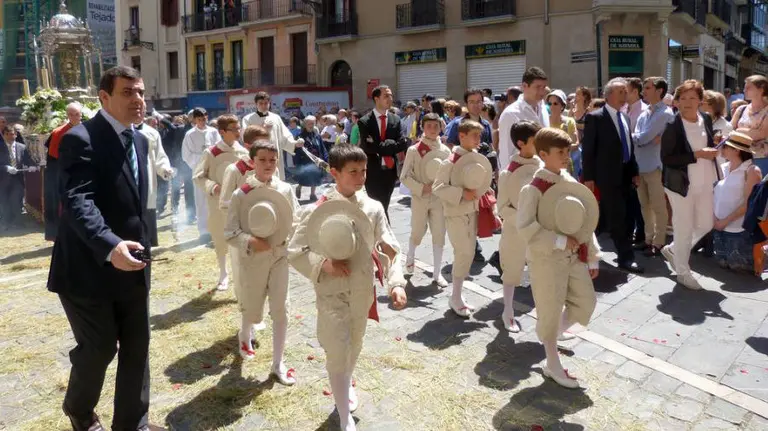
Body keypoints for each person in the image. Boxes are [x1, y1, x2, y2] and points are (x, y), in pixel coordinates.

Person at [48, 66, 157, 431]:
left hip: (133, 263)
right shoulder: (80, 138)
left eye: (140, 92)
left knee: (137, 346)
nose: (138, 99)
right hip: (87, 267)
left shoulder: (140, 140)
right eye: (128, 92)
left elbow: (135, 205)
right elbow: (78, 201)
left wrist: (142, 246)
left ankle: (132, 423)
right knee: (100, 347)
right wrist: (111, 246)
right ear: (104, 97)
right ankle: (79, 410)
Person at [288, 144, 407, 431]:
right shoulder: (318, 210)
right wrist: (322, 264)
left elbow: (390, 248)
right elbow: (295, 250)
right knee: (337, 350)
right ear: (334, 173)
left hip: (361, 290)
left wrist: (396, 283)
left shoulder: (373, 208)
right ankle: (344, 417)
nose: (360, 177)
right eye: (352, 171)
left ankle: (344, 383)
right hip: (331, 293)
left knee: (354, 345)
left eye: (363, 170)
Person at [517, 127, 600, 389]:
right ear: (543, 155)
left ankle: (554, 334)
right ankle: (552, 361)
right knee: (549, 308)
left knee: (586, 301)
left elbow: (585, 219)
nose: (566, 156)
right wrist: (559, 240)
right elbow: (524, 226)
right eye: (560, 152)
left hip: (574, 257)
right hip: (547, 259)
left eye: (567, 151)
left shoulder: (569, 181)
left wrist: (593, 255)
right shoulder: (533, 189)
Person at [224, 139, 300, 382]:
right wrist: (250, 241)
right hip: (253, 259)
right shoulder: (241, 194)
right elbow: (230, 232)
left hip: (279, 256)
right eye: (262, 160)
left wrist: (291, 240)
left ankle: (278, 362)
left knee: (281, 308)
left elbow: (296, 220)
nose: (268, 164)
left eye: (272, 160)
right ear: (252, 161)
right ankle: (244, 334)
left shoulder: (285, 190)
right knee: (252, 302)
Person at [660, 80, 721, 290]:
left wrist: (714, 144)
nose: (687, 102)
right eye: (683, 98)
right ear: (676, 102)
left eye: (692, 98)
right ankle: (683, 272)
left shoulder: (705, 119)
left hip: (705, 179)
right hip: (680, 185)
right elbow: (667, 158)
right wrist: (697, 154)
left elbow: (708, 144)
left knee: (706, 224)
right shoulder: (672, 126)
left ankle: (674, 249)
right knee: (683, 227)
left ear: (700, 101)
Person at [582, 77, 644, 273]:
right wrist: (589, 177)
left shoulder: (625, 118)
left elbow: (629, 148)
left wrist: (634, 171)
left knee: (618, 216)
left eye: (626, 92)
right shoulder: (596, 118)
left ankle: (584, 245)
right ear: (608, 95)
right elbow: (588, 150)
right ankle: (626, 257)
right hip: (607, 176)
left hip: (625, 175)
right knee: (618, 217)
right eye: (620, 92)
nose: (624, 96)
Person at [433, 120, 492, 317]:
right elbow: (438, 187)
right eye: (474, 135)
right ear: (462, 136)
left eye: (479, 135)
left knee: (468, 254)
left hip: (472, 211)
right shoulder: (449, 162)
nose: (478, 139)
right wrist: (460, 193)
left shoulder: (476, 158)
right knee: (463, 252)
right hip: (455, 213)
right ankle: (456, 297)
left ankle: (457, 294)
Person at [194, 115, 249, 291]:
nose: (238, 132)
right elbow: (198, 177)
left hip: (239, 203)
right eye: (234, 129)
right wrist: (213, 187)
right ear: (222, 132)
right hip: (218, 203)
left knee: (240, 236)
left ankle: (241, 273)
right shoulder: (211, 152)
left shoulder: (243, 152)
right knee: (220, 236)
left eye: (239, 128)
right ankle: (223, 273)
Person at [497, 121, 542, 332]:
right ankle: (508, 311)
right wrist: (525, 219)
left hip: (541, 230)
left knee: (541, 273)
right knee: (512, 270)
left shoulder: (543, 167)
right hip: (515, 230)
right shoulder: (508, 172)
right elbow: (502, 208)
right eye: (535, 140)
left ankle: (547, 321)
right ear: (521, 143)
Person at [400, 113, 450, 287]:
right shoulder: (414, 150)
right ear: (422, 127)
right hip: (420, 198)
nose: (432, 129)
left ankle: (437, 273)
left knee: (439, 233)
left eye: (436, 126)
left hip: (438, 199)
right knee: (418, 231)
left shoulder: (446, 151)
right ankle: (411, 254)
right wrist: (422, 188)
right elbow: (404, 176)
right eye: (429, 126)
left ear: (441, 127)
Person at [631, 77, 675, 257]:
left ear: (659, 91)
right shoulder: (644, 113)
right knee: (645, 206)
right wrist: (642, 138)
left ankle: (658, 242)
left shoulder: (665, 113)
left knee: (658, 206)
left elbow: (642, 138)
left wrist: (640, 138)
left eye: (648, 88)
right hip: (640, 165)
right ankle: (648, 239)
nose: (644, 91)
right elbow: (640, 138)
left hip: (655, 166)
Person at [713, 132, 762, 273]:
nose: (721, 148)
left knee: (739, 269)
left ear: (736, 150)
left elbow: (749, 204)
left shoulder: (751, 171)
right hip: (719, 228)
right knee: (724, 266)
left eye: (725, 146)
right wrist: (715, 219)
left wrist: (724, 222)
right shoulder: (723, 167)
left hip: (738, 232)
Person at [358, 85, 409, 217]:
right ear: (376, 99)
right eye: (386, 96)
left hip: (390, 170)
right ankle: (382, 228)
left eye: (391, 96)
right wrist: (391, 144)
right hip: (372, 170)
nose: (390, 99)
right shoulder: (365, 121)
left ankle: (381, 227)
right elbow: (368, 147)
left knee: (384, 204)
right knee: (377, 205)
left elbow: (402, 143)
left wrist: (379, 145)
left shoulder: (396, 119)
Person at [241, 91, 305, 180]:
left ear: (269, 103)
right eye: (261, 103)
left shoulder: (276, 118)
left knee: (275, 180)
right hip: (259, 156)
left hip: (274, 155)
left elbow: (284, 135)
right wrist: (262, 128)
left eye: (266, 103)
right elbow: (246, 137)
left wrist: (294, 143)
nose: (264, 106)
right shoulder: (248, 119)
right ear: (256, 104)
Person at [43, 102, 82, 240]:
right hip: (65, 175)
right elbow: (53, 158)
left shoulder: (88, 128)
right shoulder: (58, 133)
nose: (74, 117)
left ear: (81, 114)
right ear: (67, 115)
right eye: (71, 114)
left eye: (77, 114)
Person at [498, 67, 550, 168]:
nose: (542, 92)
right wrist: (508, 176)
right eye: (538, 87)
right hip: (521, 173)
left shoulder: (543, 108)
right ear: (524, 86)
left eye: (544, 87)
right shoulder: (510, 114)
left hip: (543, 171)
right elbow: (506, 153)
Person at [182, 108, 220, 239]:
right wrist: (201, 159)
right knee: (201, 200)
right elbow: (186, 154)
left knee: (215, 198)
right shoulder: (190, 134)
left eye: (204, 119)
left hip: (214, 169)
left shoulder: (213, 132)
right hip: (199, 170)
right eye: (199, 119)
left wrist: (212, 158)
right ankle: (204, 230)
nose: (202, 122)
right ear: (194, 120)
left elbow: (219, 148)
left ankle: (216, 227)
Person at [137, 120, 174, 247]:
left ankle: (146, 245)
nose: (139, 112)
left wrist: (165, 168)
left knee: (146, 216)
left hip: (147, 179)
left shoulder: (152, 133)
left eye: (142, 110)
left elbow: (160, 156)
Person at [156, 113, 194, 221]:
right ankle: (180, 209)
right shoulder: (175, 131)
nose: (177, 124)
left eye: (179, 122)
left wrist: (159, 116)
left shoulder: (182, 130)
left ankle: (184, 210)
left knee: (181, 187)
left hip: (182, 163)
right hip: (178, 162)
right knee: (179, 187)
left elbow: (170, 126)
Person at [1, 125, 38, 229]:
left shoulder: (21, 147)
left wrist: (32, 166)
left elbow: (28, 160)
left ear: (16, 135)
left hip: (17, 179)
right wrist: (6, 168)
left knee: (16, 200)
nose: (10, 136)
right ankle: (5, 222)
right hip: (3, 179)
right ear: (3, 135)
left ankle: (18, 222)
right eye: (7, 134)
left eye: (12, 134)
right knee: (4, 201)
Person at [731, 75, 768, 173]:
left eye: (748, 88)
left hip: (760, 160)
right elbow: (730, 130)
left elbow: (761, 134)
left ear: (761, 89)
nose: (744, 90)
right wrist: (751, 132)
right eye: (744, 87)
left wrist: (739, 130)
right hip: (739, 157)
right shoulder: (741, 109)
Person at [293, 115, 328, 201]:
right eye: (309, 123)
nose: (311, 125)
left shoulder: (317, 135)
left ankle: (312, 194)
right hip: (304, 160)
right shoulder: (300, 136)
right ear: (305, 124)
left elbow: (322, 148)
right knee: (304, 177)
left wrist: (325, 158)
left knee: (315, 176)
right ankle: (299, 187)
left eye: (313, 123)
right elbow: (295, 150)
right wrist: (296, 161)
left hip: (316, 160)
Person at [546, 89, 578, 175]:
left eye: (555, 103)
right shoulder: (544, 121)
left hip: (565, 165)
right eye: (549, 104)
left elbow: (575, 144)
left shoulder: (569, 121)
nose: (552, 106)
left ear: (562, 106)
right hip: (548, 165)